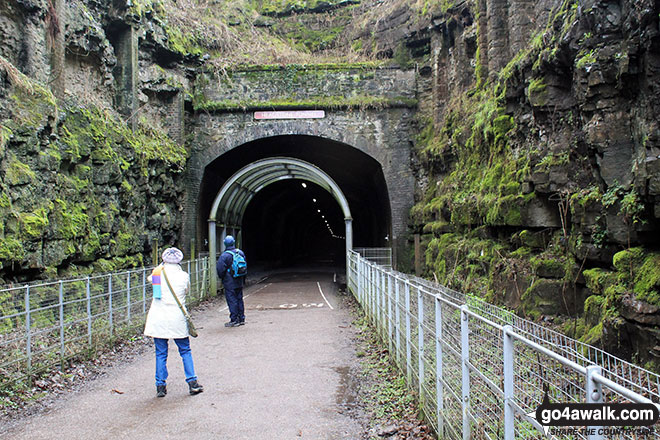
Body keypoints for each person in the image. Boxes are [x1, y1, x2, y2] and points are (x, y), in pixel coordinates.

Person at [144, 247, 204, 397]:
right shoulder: (183, 276)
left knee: (160, 353)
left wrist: (160, 266)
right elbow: (186, 291)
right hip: (176, 317)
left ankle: (160, 386)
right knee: (185, 350)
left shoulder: (157, 274)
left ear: (164, 259)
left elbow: (149, 279)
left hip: (159, 317)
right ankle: (192, 382)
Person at [216, 235, 246, 327]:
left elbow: (220, 269)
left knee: (232, 300)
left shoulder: (224, 255)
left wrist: (222, 278)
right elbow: (244, 266)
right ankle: (241, 318)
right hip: (239, 280)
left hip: (229, 282)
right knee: (239, 299)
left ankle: (234, 319)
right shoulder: (240, 252)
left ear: (225, 243)